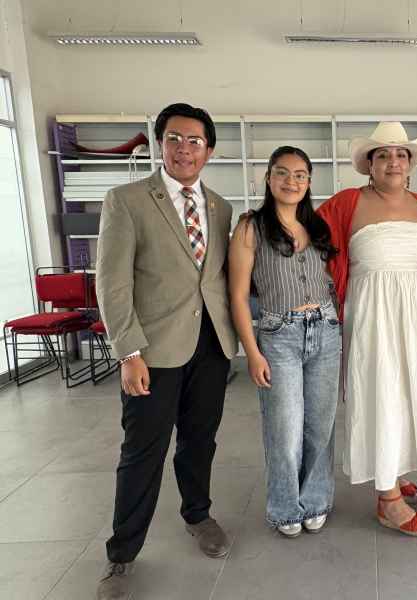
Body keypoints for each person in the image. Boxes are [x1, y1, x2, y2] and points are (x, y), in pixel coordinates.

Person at [95, 103, 238, 599]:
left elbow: (217, 280)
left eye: (195, 141)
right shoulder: (127, 200)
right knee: (143, 452)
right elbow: (112, 284)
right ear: (160, 143)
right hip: (152, 352)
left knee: (200, 440)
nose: (184, 149)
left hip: (211, 347)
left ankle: (198, 515)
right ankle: (122, 555)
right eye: (174, 138)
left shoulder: (221, 207)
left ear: (209, 151)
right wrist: (128, 352)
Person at [317, 122, 417, 537]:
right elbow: (304, 233)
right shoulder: (347, 202)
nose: (393, 161)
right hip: (373, 315)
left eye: (401, 154)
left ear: (410, 163)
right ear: (369, 164)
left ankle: (395, 466)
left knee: (411, 391)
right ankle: (387, 499)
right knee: (382, 392)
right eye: (383, 155)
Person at [228, 146, 340, 538]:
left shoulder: (318, 226)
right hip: (279, 335)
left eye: (300, 175)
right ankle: (285, 506)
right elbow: (238, 296)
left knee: (321, 426)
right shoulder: (250, 227)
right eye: (282, 172)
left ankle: (316, 500)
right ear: (268, 178)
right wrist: (252, 352)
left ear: (309, 182)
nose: (291, 181)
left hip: (326, 329)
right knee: (285, 428)